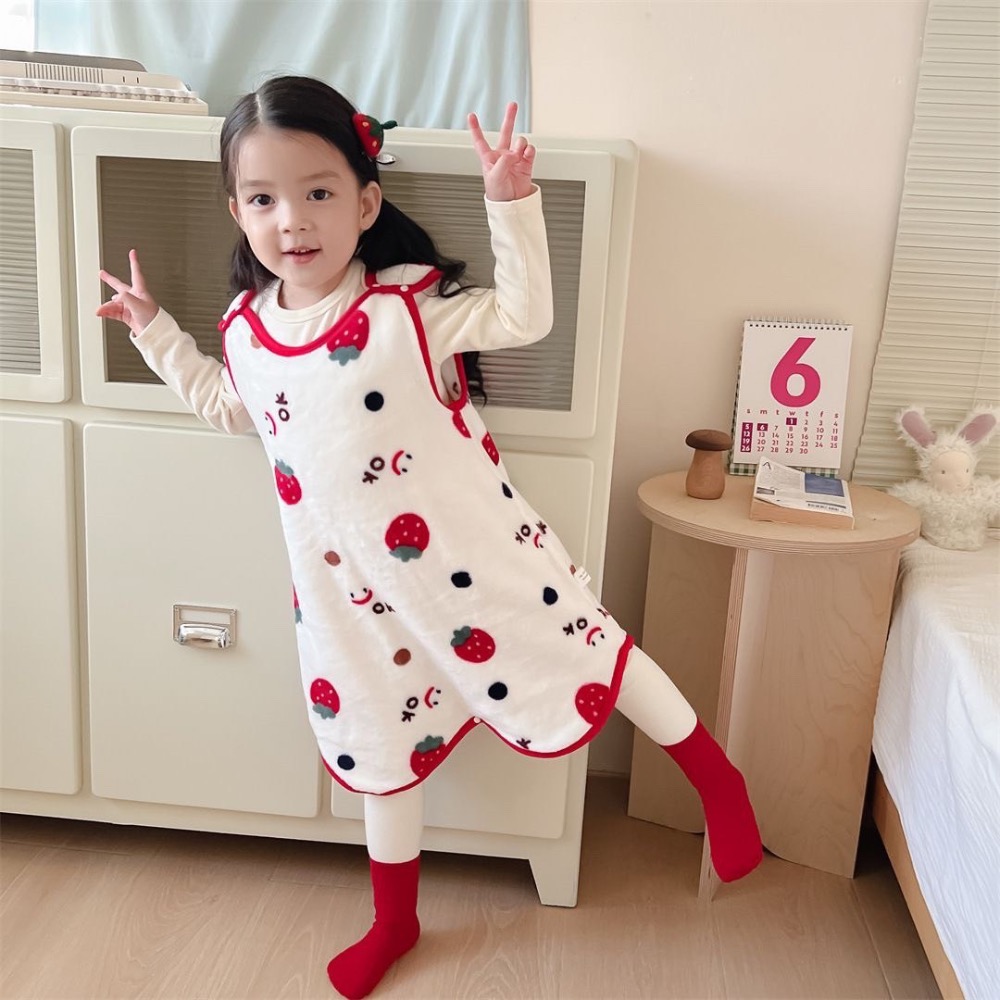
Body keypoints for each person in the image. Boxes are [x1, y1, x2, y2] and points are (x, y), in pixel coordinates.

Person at [98, 75, 762, 1000]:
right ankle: (395, 919)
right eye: (264, 199)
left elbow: (524, 317)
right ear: (238, 212)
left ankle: (718, 781)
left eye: (318, 192)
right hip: (345, 592)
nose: (293, 220)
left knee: (585, 647)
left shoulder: (406, 310)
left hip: (470, 558)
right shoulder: (245, 332)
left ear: (366, 203)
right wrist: (155, 331)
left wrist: (510, 202)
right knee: (377, 735)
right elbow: (226, 405)